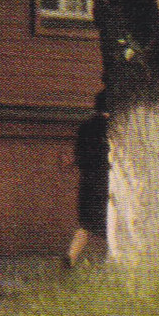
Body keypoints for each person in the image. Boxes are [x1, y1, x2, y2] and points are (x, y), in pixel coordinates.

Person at [68, 90, 111, 267]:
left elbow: (79, 155)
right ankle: (113, 263)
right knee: (113, 223)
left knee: (86, 224)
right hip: (106, 181)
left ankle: (70, 258)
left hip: (87, 181)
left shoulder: (85, 126)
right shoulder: (114, 128)